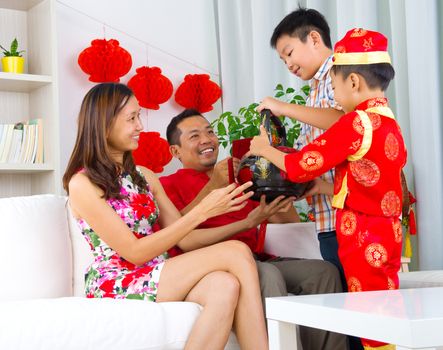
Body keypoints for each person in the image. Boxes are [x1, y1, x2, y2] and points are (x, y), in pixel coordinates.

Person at [62, 83, 269, 350]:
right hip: (118, 280)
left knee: (224, 285)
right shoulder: (83, 184)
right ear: (104, 124)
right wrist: (203, 210)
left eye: (139, 117)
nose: (140, 127)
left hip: (157, 272)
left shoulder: (144, 176)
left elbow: (186, 240)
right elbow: (134, 252)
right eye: (132, 118)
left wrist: (232, 214)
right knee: (237, 251)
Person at [249, 28, 406, 350]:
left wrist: (265, 149)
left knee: (367, 316)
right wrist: (325, 186)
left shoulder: (355, 122)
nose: (335, 97)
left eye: (335, 88)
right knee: (385, 306)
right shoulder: (389, 123)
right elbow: (368, 177)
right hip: (388, 231)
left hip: (362, 233)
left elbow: (300, 165)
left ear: (353, 82)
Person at [160, 108, 347, 350]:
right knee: (269, 276)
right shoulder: (167, 185)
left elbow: (288, 224)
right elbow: (177, 231)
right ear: (175, 151)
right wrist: (215, 185)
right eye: (194, 136)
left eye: (209, 132)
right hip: (217, 268)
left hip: (258, 259)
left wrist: (278, 185)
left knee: (323, 273)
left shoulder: (238, 179)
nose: (206, 139)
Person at [256, 7, 348, 291]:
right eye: (283, 59)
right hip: (328, 217)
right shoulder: (315, 89)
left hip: (347, 219)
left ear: (314, 38)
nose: (288, 64)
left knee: (359, 309)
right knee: (347, 305)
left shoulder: (340, 73)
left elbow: (346, 124)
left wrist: (283, 107)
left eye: (289, 52)